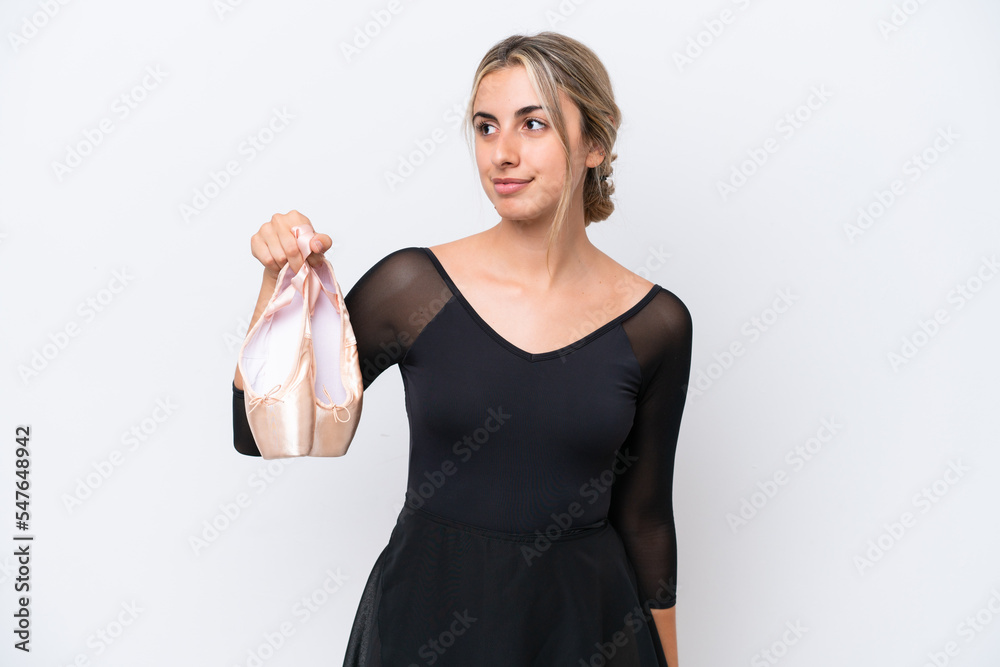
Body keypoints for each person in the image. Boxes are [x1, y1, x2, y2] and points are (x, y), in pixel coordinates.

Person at [232, 31, 691, 667]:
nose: (502, 152)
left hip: (587, 631)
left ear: (595, 143)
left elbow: (646, 520)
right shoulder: (412, 288)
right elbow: (260, 434)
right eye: (484, 127)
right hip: (426, 623)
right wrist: (277, 282)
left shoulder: (657, 323)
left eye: (533, 124)